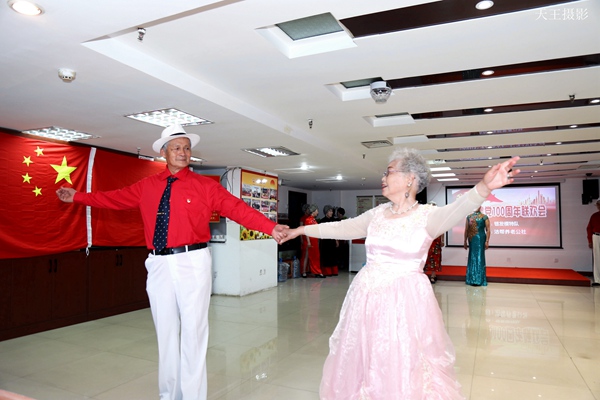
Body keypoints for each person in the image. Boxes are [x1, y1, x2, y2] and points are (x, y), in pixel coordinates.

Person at [56, 123, 287, 400]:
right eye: (176, 148)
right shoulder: (147, 186)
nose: (183, 152)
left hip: (193, 260)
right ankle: (169, 394)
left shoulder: (205, 186)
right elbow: (114, 198)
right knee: (165, 331)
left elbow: (237, 209)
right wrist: (77, 197)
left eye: (187, 148)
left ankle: (192, 395)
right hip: (158, 263)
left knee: (193, 331)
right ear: (163, 153)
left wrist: (270, 227)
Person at [281, 148, 520, 399]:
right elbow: (342, 228)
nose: (383, 177)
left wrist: (484, 187)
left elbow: (459, 208)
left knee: (400, 357)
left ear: (410, 178)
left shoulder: (428, 217)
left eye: (389, 172)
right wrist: (300, 231)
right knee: (366, 355)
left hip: (404, 302)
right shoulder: (376, 214)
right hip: (366, 299)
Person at [464, 207, 490, 286]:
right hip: (472, 239)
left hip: (481, 239)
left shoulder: (484, 217)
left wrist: (487, 241)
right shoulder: (469, 217)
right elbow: (466, 229)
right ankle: (471, 279)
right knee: (472, 256)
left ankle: (479, 279)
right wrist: (465, 241)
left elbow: (488, 229)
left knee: (480, 257)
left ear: (480, 207)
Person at [303, 204, 326, 278]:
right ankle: (305, 271)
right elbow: (306, 231)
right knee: (308, 256)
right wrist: (308, 241)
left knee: (315, 256)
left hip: (315, 240)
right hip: (310, 240)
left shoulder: (314, 220)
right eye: (316, 211)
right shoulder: (308, 220)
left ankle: (316, 271)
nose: (318, 212)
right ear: (313, 211)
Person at [424, 202, 444, 284]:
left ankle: (433, 275)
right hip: (427, 239)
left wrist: (442, 240)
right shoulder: (424, 217)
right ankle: (424, 275)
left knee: (435, 257)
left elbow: (442, 229)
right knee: (425, 256)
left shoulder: (439, 218)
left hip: (436, 239)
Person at [319, 205, 339, 276]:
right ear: (326, 212)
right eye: (330, 211)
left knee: (333, 256)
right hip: (325, 242)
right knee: (326, 256)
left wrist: (336, 240)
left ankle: (334, 271)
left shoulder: (333, 220)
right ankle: (327, 272)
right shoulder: (322, 221)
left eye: (332, 211)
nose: (331, 213)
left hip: (332, 240)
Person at [586, 199, 600, 287]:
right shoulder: (594, 216)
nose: (598, 206)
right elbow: (589, 228)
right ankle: (597, 280)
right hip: (596, 236)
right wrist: (590, 241)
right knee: (597, 258)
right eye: (597, 205)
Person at [298, 204, 311, 278]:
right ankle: (303, 271)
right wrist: (301, 239)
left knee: (309, 255)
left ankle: (307, 269)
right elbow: (301, 229)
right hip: (304, 237)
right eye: (308, 209)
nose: (309, 210)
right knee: (305, 255)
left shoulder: (310, 218)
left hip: (309, 237)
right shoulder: (302, 218)